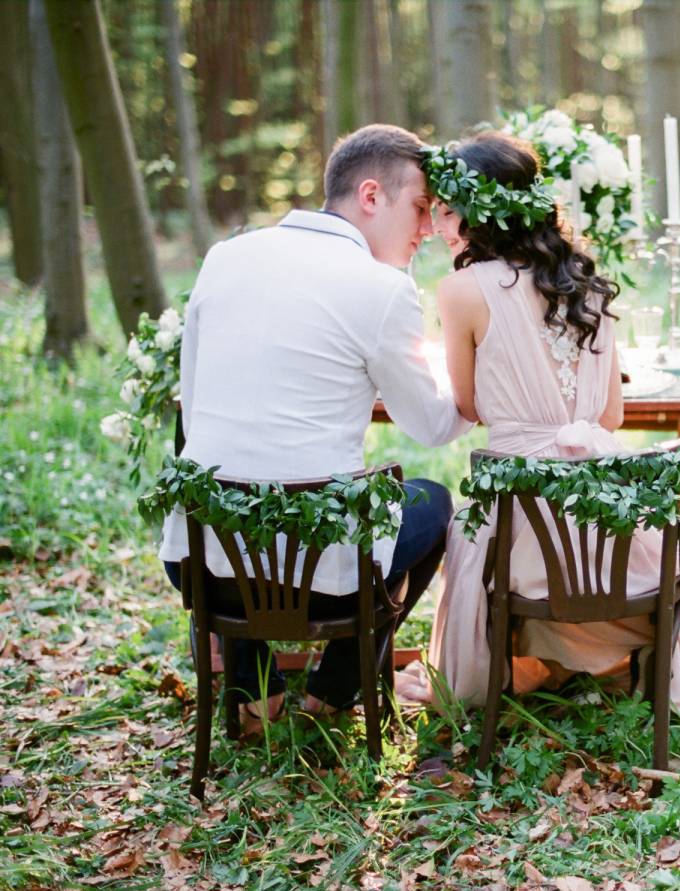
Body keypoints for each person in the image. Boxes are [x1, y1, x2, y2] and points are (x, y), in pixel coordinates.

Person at [394, 132, 680, 751]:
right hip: (609, 538)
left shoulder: (462, 291)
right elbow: (613, 414)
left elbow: (468, 406)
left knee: (471, 528)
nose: (439, 225)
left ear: (482, 211)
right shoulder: (590, 289)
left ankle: (513, 673)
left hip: (523, 535)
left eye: (448, 209)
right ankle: (569, 670)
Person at [159, 124, 473, 732]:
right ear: (372, 195)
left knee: (239, 498)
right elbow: (433, 425)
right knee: (432, 503)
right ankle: (333, 690)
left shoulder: (226, 257)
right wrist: (478, 375)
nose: (429, 228)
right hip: (320, 580)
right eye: (419, 208)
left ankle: (257, 696)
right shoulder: (383, 287)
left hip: (199, 567)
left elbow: (193, 412)